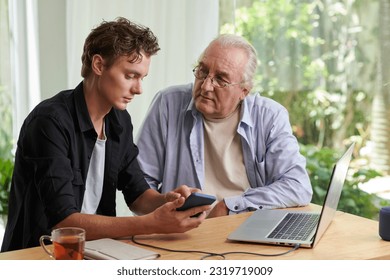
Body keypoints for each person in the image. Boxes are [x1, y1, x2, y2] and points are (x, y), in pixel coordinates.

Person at [1, 17, 209, 252]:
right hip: (40, 255)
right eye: (130, 76)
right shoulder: (49, 122)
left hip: (99, 251)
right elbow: (64, 222)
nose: (139, 89)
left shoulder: (119, 120)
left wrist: (169, 202)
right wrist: (150, 224)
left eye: (142, 78)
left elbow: (138, 194)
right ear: (98, 65)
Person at [136, 34, 313, 218]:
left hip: (245, 224)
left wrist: (230, 207)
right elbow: (138, 187)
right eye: (202, 72)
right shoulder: (168, 104)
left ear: (244, 91)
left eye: (221, 79)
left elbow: (297, 187)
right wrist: (165, 205)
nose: (205, 86)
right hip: (182, 232)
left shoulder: (269, 116)